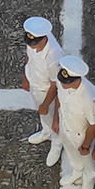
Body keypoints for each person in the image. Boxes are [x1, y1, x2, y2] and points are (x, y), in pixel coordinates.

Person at [52, 56, 95, 189]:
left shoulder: (89, 97)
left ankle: (89, 179)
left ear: (77, 81)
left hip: (80, 134)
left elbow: (93, 124)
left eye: (66, 82)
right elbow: (59, 99)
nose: (62, 84)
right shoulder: (63, 82)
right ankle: (77, 171)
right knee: (71, 153)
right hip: (65, 126)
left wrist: (85, 146)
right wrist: (56, 120)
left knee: (88, 162)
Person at [22, 16, 62, 158]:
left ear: (44, 39)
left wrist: (45, 104)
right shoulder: (34, 40)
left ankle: (57, 142)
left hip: (46, 91)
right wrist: (26, 78)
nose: (32, 47)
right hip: (35, 85)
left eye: (35, 44)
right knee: (44, 116)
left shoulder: (53, 57)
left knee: (53, 116)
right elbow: (29, 58)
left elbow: (55, 85)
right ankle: (46, 132)